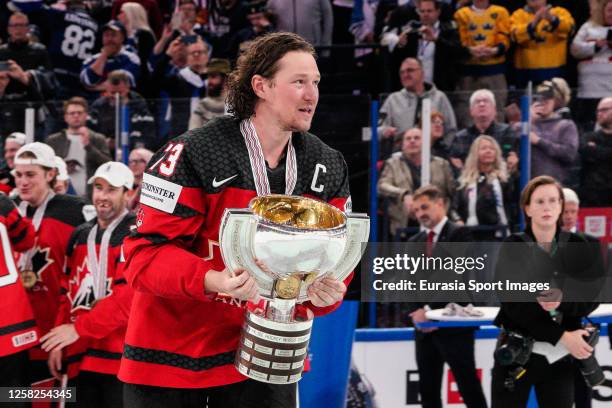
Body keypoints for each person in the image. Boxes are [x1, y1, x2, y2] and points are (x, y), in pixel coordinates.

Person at [119, 32, 353, 407]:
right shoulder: (194, 153)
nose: (312, 94)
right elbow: (142, 258)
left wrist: (324, 295)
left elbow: (336, 264)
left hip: (265, 361)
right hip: (172, 364)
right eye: (299, 82)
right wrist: (213, 279)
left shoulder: (326, 165)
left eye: (316, 83)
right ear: (260, 85)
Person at [492, 175, 602, 407]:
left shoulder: (579, 245)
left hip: (560, 356)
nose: (547, 207)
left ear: (561, 206)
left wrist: (563, 299)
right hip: (517, 354)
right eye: (540, 201)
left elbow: (590, 296)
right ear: (527, 208)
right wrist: (561, 335)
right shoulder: (513, 247)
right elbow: (514, 304)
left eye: (553, 200)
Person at [41, 162, 136, 408]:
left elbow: (127, 301)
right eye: (98, 188)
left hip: (119, 359)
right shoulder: (80, 234)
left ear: (129, 194)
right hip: (80, 355)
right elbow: (66, 292)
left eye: (111, 190)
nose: (102, 196)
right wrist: (59, 339)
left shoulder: (135, 235)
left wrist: (77, 329)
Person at [407, 185, 488, 408]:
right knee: (428, 391)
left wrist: (429, 312)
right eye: (416, 210)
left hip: (454, 324)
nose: (420, 213)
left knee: (468, 385)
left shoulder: (459, 233)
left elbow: (453, 275)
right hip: (424, 329)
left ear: (440, 203)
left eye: (425, 206)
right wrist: (416, 313)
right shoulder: (414, 242)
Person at [12, 142, 86, 383]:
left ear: (51, 174)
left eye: (30, 175)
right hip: (16, 329)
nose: (22, 182)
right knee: (12, 398)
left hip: (53, 327)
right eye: (18, 175)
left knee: (53, 395)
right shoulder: (9, 209)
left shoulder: (76, 211)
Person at [377, 127, 456, 239]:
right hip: (405, 226)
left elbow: (453, 193)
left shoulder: (442, 164)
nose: (412, 141)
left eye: (417, 138)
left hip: (438, 226)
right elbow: (382, 186)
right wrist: (403, 194)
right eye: (408, 138)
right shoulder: (393, 164)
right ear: (403, 144)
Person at [379, 57, 457, 156]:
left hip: (433, 157)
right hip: (401, 158)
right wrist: (384, 131)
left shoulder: (439, 97)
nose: (405, 75)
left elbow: (451, 130)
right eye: (402, 72)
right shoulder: (392, 100)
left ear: (422, 73)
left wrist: (442, 153)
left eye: (410, 70)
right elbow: (380, 130)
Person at [0, 194, 37, 393]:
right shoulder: (2, 202)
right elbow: (26, 240)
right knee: (13, 395)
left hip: (11, 322)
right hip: (11, 322)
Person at [454, 0, 511, 127]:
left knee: (497, 110)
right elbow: (459, 39)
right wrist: (470, 51)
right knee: (466, 111)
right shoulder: (461, 14)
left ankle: (495, 143)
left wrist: (495, 50)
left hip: (494, 71)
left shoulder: (500, 12)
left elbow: (504, 37)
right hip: (468, 72)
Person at [45, 97, 112, 197]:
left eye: (79, 113)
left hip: (90, 196)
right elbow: (45, 167)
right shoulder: (53, 140)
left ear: (86, 115)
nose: (76, 116)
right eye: (72, 113)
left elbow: (108, 165)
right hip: (60, 196)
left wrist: (89, 146)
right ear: (65, 117)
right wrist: (62, 167)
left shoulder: (98, 139)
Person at [454, 135, 517, 239]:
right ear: (475, 153)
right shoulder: (464, 181)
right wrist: (458, 221)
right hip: (471, 235)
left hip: (499, 234)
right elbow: (454, 207)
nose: (488, 151)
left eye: (492, 148)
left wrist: (514, 171)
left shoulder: (505, 179)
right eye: (484, 148)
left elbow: (514, 200)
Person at [451, 89, 519, 173]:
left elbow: (512, 159)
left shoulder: (507, 132)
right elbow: (456, 164)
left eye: (486, 101)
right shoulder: (460, 137)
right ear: (471, 111)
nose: (482, 104)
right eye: (477, 102)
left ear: (494, 110)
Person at [509, 0, 575, 87]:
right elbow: (514, 36)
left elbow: (570, 29)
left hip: (556, 71)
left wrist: (552, 19)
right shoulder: (518, 15)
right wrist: (534, 22)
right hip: (526, 73)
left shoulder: (560, 12)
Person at [570, 0, 612, 130]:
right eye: (610, 10)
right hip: (589, 89)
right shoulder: (588, 27)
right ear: (602, 11)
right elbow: (575, 49)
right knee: (589, 124)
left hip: (610, 89)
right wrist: (595, 46)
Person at [88, 70, 156, 150]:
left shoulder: (139, 104)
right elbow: (90, 131)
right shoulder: (98, 106)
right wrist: (103, 142)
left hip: (132, 149)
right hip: (105, 150)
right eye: (112, 92)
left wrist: (131, 144)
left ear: (127, 88)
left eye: (120, 93)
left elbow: (148, 132)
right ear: (106, 90)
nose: (116, 96)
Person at [529, 82, 579, 185]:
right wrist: (530, 121)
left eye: (547, 99)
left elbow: (569, 154)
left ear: (554, 101)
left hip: (557, 184)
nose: (543, 103)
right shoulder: (523, 126)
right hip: (528, 185)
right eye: (539, 99)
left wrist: (539, 141)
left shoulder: (566, 125)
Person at [80, 20, 141, 93]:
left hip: (121, 100)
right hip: (95, 102)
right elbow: (88, 81)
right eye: (106, 35)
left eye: (113, 35)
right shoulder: (91, 59)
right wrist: (104, 55)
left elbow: (120, 84)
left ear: (122, 38)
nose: (109, 39)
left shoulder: (131, 58)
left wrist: (95, 88)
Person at [579, 96, 612, 207]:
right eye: (598, 111)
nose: (599, 113)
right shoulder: (589, 136)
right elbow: (584, 150)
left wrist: (596, 150)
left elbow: (593, 152)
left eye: (604, 110)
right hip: (593, 197)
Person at [188, 58, 230, 130]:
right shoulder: (202, 106)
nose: (209, 81)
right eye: (208, 77)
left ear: (225, 79)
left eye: (213, 77)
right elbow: (191, 133)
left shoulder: (237, 105)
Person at [126, 147, 153, 212]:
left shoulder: (152, 189)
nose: (133, 164)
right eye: (131, 161)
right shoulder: (125, 186)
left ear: (149, 162)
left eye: (138, 161)